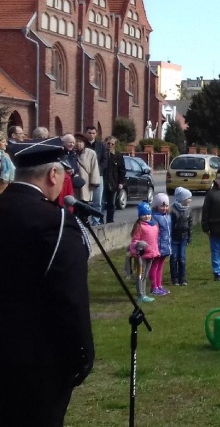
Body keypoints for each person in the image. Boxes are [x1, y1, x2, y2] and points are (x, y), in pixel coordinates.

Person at [0, 137, 95, 425]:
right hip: (37, 358)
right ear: (53, 175)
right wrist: (83, 352)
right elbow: (70, 296)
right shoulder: (55, 222)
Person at [128, 201, 159, 303]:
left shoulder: (153, 225)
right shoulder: (139, 226)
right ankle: (140, 295)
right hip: (141, 256)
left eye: (148, 214)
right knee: (140, 275)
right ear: (140, 215)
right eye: (144, 214)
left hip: (151, 254)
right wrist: (138, 246)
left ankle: (144, 293)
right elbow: (134, 241)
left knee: (145, 275)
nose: (147, 216)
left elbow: (154, 240)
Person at [170, 187, 193, 286]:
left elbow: (190, 224)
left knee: (182, 258)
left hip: (183, 237)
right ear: (182, 199)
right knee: (174, 258)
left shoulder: (188, 210)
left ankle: (182, 277)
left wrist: (189, 236)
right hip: (174, 237)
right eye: (188, 198)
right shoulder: (173, 210)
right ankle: (174, 278)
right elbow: (170, 225)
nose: (190, 200)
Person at [84, 126, 107, 225]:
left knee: (97, 200)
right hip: (85, 176)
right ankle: (84, 220)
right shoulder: (83, 144)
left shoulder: (101, 145)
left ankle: (96, 221)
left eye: (93, 133)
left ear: (96, 134)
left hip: (98, 175)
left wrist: (97, 171)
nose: (91, 135)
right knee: (84, 199)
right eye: (89, 133)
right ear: (86, 133)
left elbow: (104, 160)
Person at [151, 193, 172, 296]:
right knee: (155, 266)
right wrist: (156, 247)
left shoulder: (167, 217)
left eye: (166, 206)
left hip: (165, 246)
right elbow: (154, 234)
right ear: (156, 206)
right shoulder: (155, 217)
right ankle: (154, 286)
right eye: (162, 206)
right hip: (157, 247)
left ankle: (159, 285)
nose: (164, 208)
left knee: (160, 266)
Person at [100, 136, 125, 224]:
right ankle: (100, 221)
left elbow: (122, 170)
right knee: (101, 203)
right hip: (102, 182)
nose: (110, 145)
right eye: (108, 143)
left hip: (113, 183)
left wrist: (121, 182)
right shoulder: (102, 154)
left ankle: (110, 221)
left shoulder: (118, 156)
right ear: (105, 143)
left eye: (112, 144)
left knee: (112, 204)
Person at [72, 134, 101, 205]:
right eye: (76, 141)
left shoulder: (91, 153)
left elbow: (94, 168)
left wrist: (94, 182)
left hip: (86, 182)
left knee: (84, 203)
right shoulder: (72, 153)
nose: (78, 144)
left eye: (80, 142)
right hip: (74, 181)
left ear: (84, 143)